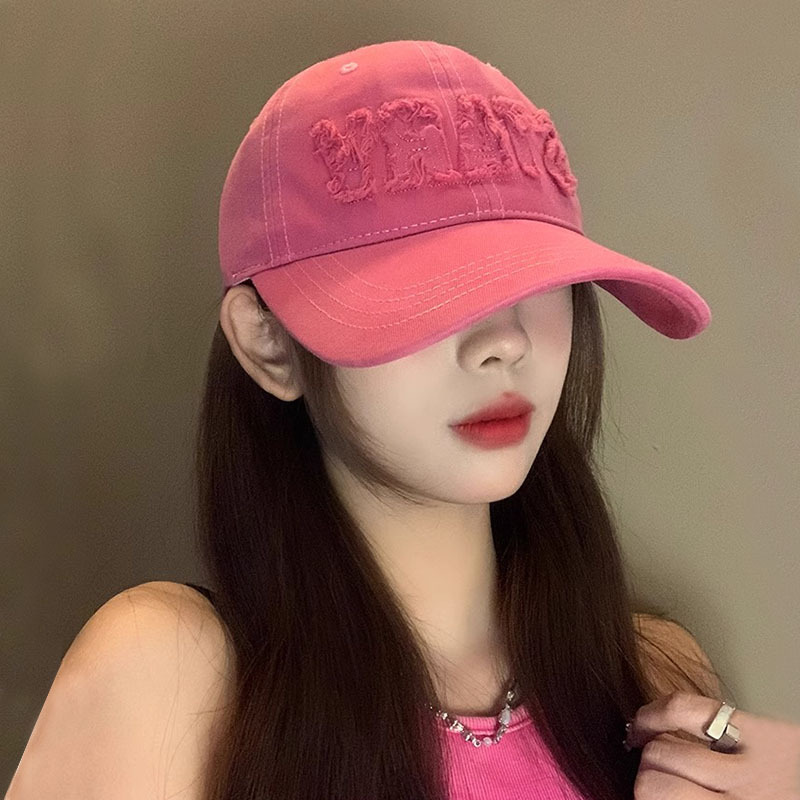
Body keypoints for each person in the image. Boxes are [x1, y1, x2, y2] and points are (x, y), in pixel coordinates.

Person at [10, 39, 798, 800]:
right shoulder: (168, 679)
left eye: (533, 280)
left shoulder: (651, 677)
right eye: (425, 292)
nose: (502, 343)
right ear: (269, 345)